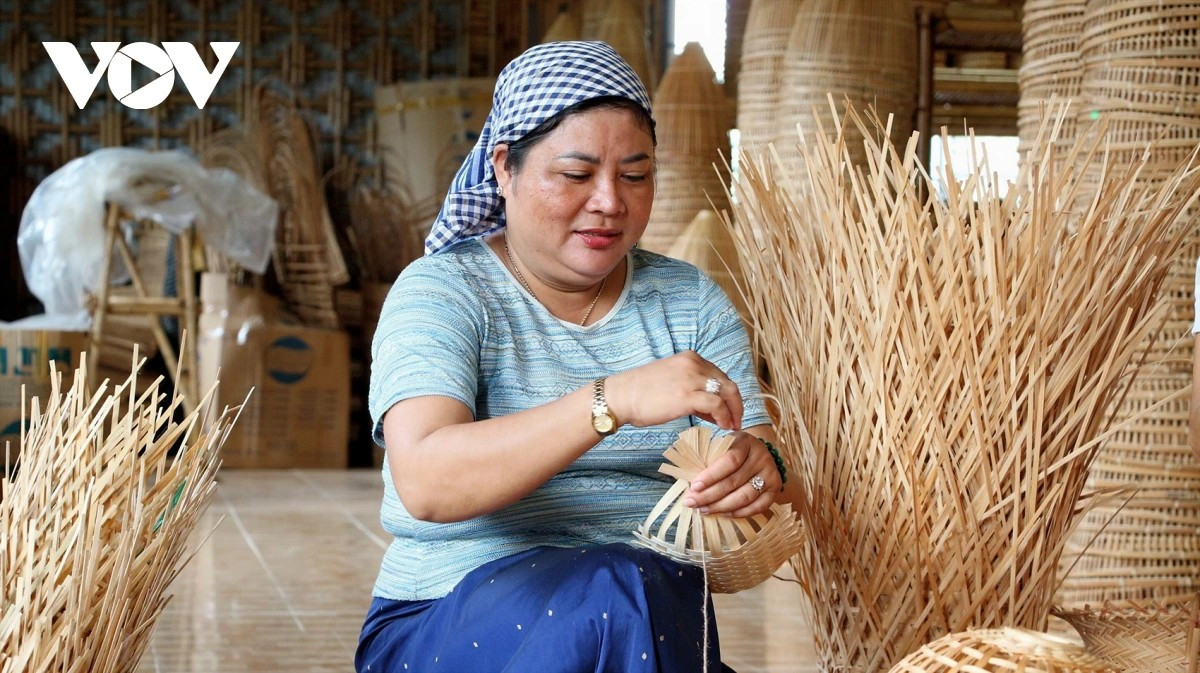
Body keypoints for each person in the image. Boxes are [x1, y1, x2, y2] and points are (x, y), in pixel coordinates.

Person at [357, 41, 799, 673]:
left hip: (654, 626)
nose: (610, 202)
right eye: (576, 174)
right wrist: (610, 401)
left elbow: (765, 468)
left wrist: (758, 472)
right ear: (504, 168)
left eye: (635, 175)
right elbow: (427, 481)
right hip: (449, 620)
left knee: (636, 590)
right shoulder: (443, 292)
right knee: (618, 590)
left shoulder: (689, 302)